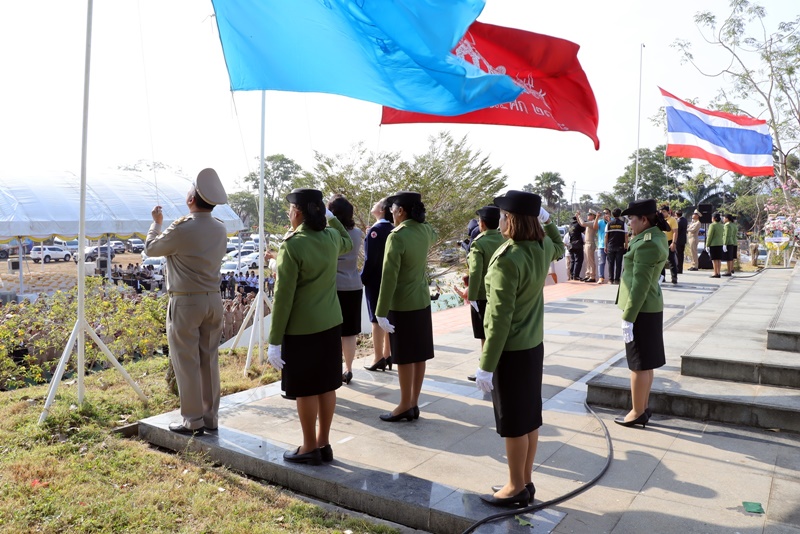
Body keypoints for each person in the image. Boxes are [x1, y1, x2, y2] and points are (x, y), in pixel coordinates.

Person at [473, 191, 564, 508]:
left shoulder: (508, 259)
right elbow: (560, 246)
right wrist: (549, 222)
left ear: (510, 219)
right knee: (529, 417)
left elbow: (497, 319)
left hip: (510, 350)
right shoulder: (541, 247)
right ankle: (525, 480)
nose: (499, 219)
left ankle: (513, 487)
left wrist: (486, 364)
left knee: (513, 420)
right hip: (533, 346)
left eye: (502, 214)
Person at [266, 188, 352, 465]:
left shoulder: (292, 245)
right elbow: (347, 242)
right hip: (330, 323)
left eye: (290, 210)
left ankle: (308, 446)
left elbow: (283, 298)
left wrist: (274, 340)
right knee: (327, 386)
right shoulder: (330, 238)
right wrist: (330, 216)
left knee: (304, 389)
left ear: (298, 212)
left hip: (301, 329)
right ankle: (324, 444)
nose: (289, 214)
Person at [144, 168, 228, 436]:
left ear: (192, 199)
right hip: (214, 300)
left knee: (186, 361)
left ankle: (192, 420)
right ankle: (210, 416)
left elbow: (151, 249)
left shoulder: (182, 228)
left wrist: (156, 222)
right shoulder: (220, 228)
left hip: (186, 302)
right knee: (209, 360)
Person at [374, 191, 436, 422]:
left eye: (393, 209)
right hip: (421, 300)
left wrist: (380, 312)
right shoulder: (425, 230)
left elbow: (389, 277)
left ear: (401, 211)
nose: (391, 213)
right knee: (419, 355)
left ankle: (403, 404)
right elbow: (432, 228)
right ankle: (413, 403)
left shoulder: (397, 236)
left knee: (404, 357)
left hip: (402, 304)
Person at [614, 198, 669, 428]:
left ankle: (636, 412)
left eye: (632, 220)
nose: (629, 225)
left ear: (644, 220)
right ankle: (643, 408)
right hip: (649, 308)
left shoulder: (647, 243)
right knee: (646, 364)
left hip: (641, 310)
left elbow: (640, 285)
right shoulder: (654, 237)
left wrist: (628, 317)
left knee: (638, 365)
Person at [458, 206, 505, 381]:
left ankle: (485, 369)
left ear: (482, 224)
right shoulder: (504, 240)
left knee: (484, 334)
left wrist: (472, 297)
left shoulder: (479, 242)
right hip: (500, 293)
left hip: (482, 295)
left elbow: (475, 272)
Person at [328, 194, 364, 385]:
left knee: (333, 331)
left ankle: (334, 369)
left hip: (334, 286)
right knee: (350, 332)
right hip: (354, 285)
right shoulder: (357, 233)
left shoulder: (330, 233)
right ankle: (348, 369)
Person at [361, 197, 394, 372]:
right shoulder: (392, 229)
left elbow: (370, 260)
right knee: (387, 317)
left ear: (381, 210)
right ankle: (388, 354)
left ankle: (378, 356)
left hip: (375, 280)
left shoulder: (376, 231)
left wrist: (362, 278)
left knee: (376, 319)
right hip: (390, 280)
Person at [605, 208, 628, 284]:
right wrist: (626, 246)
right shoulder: (623, 224)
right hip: (620, 246)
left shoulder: (609, 224)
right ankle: (617, 280)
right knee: (619, 264)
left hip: (610, 246)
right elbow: (626, 236)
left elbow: (606, 236)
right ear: (620, 214)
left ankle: (610, 280)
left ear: (612, 215)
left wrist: (605, 246)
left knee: (610, 264)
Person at [575, 210, 597, 282]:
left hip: (590, 243)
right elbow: (581, 224)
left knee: (590, 261)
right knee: (587, 261)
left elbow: (583, 223)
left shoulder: (593, 222)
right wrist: (578, 218)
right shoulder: (589, 223)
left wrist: (579, 216)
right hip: (587, 243)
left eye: (589, 214)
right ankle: (588, 275)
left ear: (593, 216)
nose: (588, 215)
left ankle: (592, 276)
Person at [659, 205, 679, 285]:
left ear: (668, 212)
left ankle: (674, 278)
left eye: (664, 211)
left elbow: (675, 232)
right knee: (660, 260)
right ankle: (662, 277)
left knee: (671, 260)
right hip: (660, 241)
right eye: (661, 211)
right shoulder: (659, 220)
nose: (662, 213)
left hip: (669, 241)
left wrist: (673, 243)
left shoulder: (672, 220)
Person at [706, 212, 725, 278]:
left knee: (714, 259)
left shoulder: (712, 225)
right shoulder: (721, 225)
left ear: (714, 218)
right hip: (720, 243)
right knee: (719, 259)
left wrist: (707, 244)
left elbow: (710, 236)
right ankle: (718, 272)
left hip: (713, 244)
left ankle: (715, 272)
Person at [567, 216, 584, 281]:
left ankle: (572, 275)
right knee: (579, 260)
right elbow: (583, 229)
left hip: (571, 244)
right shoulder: (578, 224)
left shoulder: (570, 225)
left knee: (573, 260)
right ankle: (576, 275)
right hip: (577, 244)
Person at [596, 209, 610, 283]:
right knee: (601, 262)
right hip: (601, 245)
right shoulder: (600, 221)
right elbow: (595, 227)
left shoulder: (612, 221)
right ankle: (601, 277)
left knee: (611, 262)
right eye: (604, 213)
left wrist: (609, 221)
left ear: (610, 214)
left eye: (607, 213)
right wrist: (597, 217)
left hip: (610, 245)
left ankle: (611, 278)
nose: (605, 214)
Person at [675, 210, 688, 274]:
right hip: (683, 239)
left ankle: (678, 268)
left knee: (678, 255)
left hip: (678, 240)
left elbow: (677, 231)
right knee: (681, 255)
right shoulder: (685, 220)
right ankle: (680, 268)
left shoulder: (678, 221)